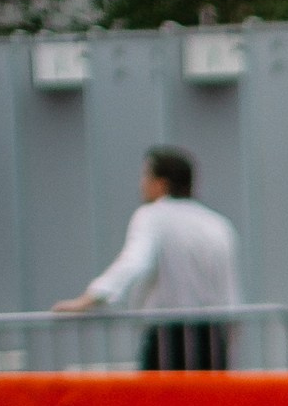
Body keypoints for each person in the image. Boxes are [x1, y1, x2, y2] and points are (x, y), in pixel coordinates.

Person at [56, 146, 241, 367]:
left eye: (146, 176)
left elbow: (135, 260)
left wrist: (92, 297)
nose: (141, 184)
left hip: (169, 338)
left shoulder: (152, 216)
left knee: (158, 400)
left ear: (161, 183)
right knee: (206, 400)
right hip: (211, 337)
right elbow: (229, 290)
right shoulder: (217, 224)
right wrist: (229, 340)